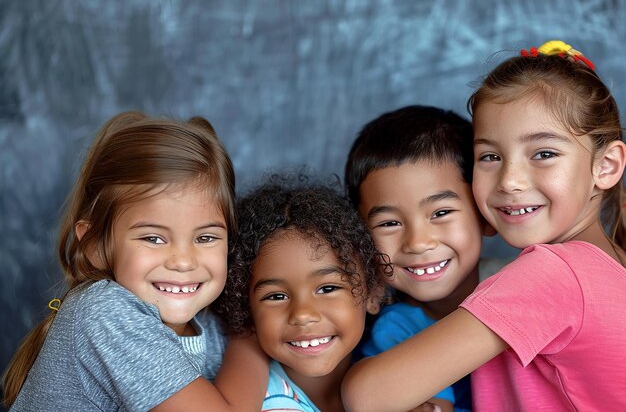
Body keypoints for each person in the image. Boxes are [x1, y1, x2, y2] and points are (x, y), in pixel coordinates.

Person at [341, 40, 626, 411]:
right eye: (490, 156)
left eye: (543, 154)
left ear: (605, 165)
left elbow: (366, 395)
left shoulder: (551, 274)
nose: (510, 180)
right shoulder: (612, 263)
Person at [2, 111, 268, 411]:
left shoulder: (212, 328)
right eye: (153, 238)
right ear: (95, 246)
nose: (183, 261)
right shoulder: (104, 311)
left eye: (205, 238)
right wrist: (251, 334)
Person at [344, 105, 501, 412]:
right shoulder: (395, 332)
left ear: (486, 213)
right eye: (389, 223)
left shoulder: (521, 284)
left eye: (440, 213)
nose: (417, 243)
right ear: (362, 239)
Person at [214, 178, 384, 412]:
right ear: (246, 308)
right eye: (276, 296)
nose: (303, 314)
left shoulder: (389, 356)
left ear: (374, 293)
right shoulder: (268, 402)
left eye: (327, 289)